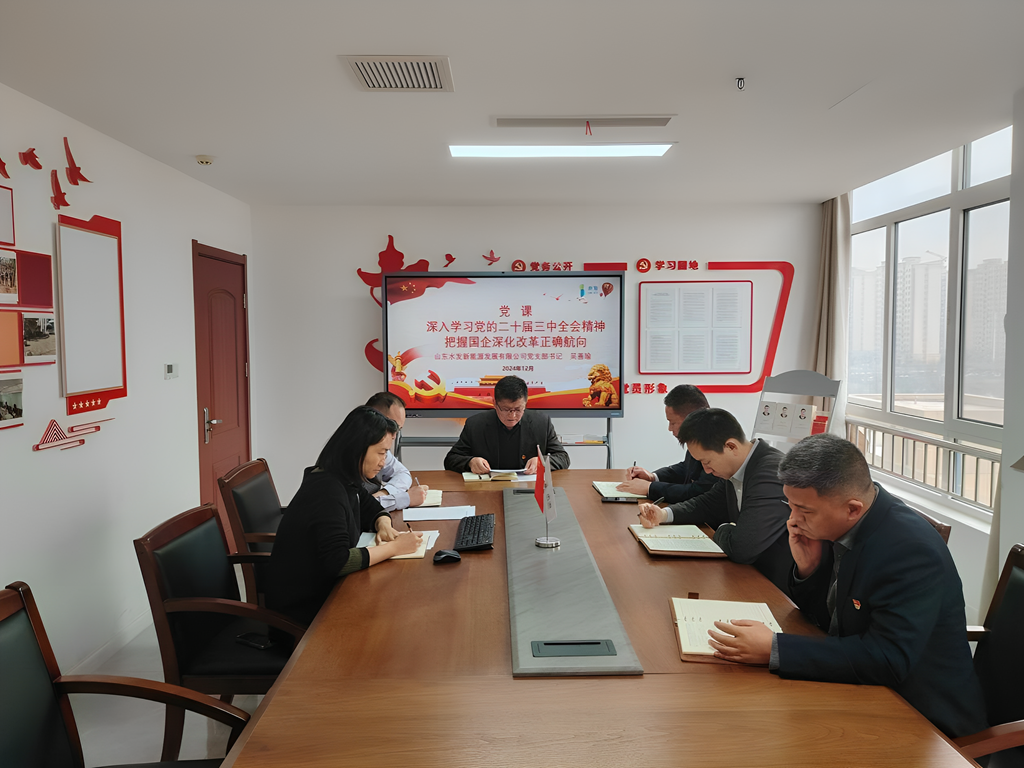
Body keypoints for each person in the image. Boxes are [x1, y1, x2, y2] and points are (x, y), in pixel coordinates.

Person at [706, 434, 987, 740]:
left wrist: (774, 648)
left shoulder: (910, 550)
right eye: (790, 505)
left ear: (852, 508)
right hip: (861, 687)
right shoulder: (843, 522)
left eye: (804, 511)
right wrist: (809, 569)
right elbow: (833, 621)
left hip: (923, 721)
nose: (792, 520)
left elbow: (888, 659)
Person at [265, 406, 422, 627]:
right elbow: (338, 562)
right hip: (304, 615)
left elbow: (370, 506)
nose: (383, 462)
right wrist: (394, 548)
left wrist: (383, 523)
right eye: (381, 452)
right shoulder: (326, 491)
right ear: (357, 449)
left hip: (329, 593)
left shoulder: (343, 479)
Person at [638, 408, 793, 594]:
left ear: (731, 447)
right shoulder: (735, 470)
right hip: (747, 574)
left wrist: (722, 528)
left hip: (776, 587)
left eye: (707, 462)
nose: (707, 470)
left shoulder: (770, 472)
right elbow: (707, 504)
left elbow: (741, 548)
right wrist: (663, 514)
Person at [443, 375, 569, 474]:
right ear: (494, 403)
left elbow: (563, 458)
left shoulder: (541, 422)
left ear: (525, 403)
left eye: (518, 409)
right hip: (488, 489)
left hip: (528, 489)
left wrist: (542, 462)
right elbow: (451, 459)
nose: (512, 416)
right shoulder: (475, 424)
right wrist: (470, 462)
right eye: (505, 409)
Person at [616, 384, 718, 503]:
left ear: (691, 419)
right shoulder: (699, 438)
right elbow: (686, 469)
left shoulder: (716, 445)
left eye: (673, 423)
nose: (670, 428)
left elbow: (698, 491)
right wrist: (652, 477)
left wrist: (650, 488)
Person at [364, 391, 429, 510]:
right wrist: (405, 499)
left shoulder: (381, 450)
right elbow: (358, 509)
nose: (394, 436)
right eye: (391, 427)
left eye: (398, 430)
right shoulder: (349, 455)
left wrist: (384, 493)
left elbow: (402, 473)